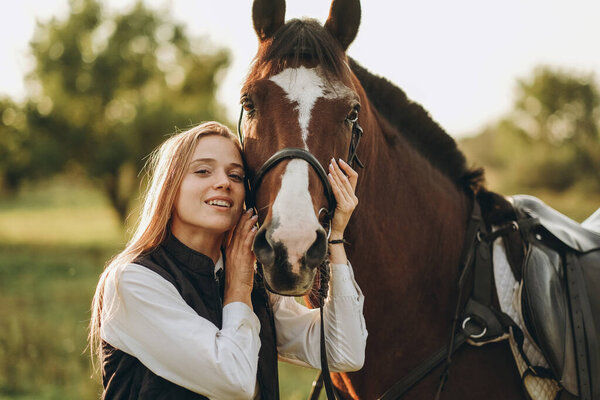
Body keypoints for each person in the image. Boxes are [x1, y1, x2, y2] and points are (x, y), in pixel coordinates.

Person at [89, 121, 367, 399]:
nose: (223, 182)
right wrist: (237, 290)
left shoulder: (249, 282)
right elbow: (235, 382)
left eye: (235, 176)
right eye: (202, 171)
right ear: (170, 186)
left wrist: (336, 236)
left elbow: (345, 352)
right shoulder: (133, 281)